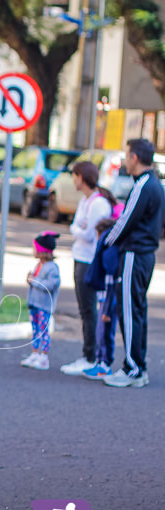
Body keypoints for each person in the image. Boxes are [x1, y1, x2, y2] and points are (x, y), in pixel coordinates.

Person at [101, 138, 164, 388]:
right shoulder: (156, 184)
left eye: (127, 155)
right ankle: (138, 366)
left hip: (134, 255)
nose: (126, 161)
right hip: (145, 255)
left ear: (135, 158)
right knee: (137, 311)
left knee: (128, 311)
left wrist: (106, 242)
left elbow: (125, 221)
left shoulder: (143, 185)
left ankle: (132, 369)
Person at [59, 160, 116, 376]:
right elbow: (79, 227)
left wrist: (76, 228)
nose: (73, 179)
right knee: (86, 309)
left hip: (89, 261)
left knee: (89, 310)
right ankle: (89, 354)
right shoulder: (86, 201)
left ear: (81, 177)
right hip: (80, 257)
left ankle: (91, 356)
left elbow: (89, 234)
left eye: (74, 175)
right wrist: (78, 228)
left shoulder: (98, 204)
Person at [80, 217, 121, 381]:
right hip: (104, 297)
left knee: (105, 331)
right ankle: (100, 361)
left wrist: (110, 309)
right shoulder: (107, 251)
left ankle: (105, 363)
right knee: (100, 331)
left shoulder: (109, 253)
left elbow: (112, 282)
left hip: (108, 299)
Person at [21, 232, 62, 371]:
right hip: (34, 304)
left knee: (43, 331)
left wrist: (34, 281)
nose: (33, 250)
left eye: (35, 248)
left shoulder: (52, 268)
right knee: (35, 330)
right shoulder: (39, 265)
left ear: (42, 250)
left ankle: (44, 356)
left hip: (44, 305)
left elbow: (50, 285)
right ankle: (35, 352)